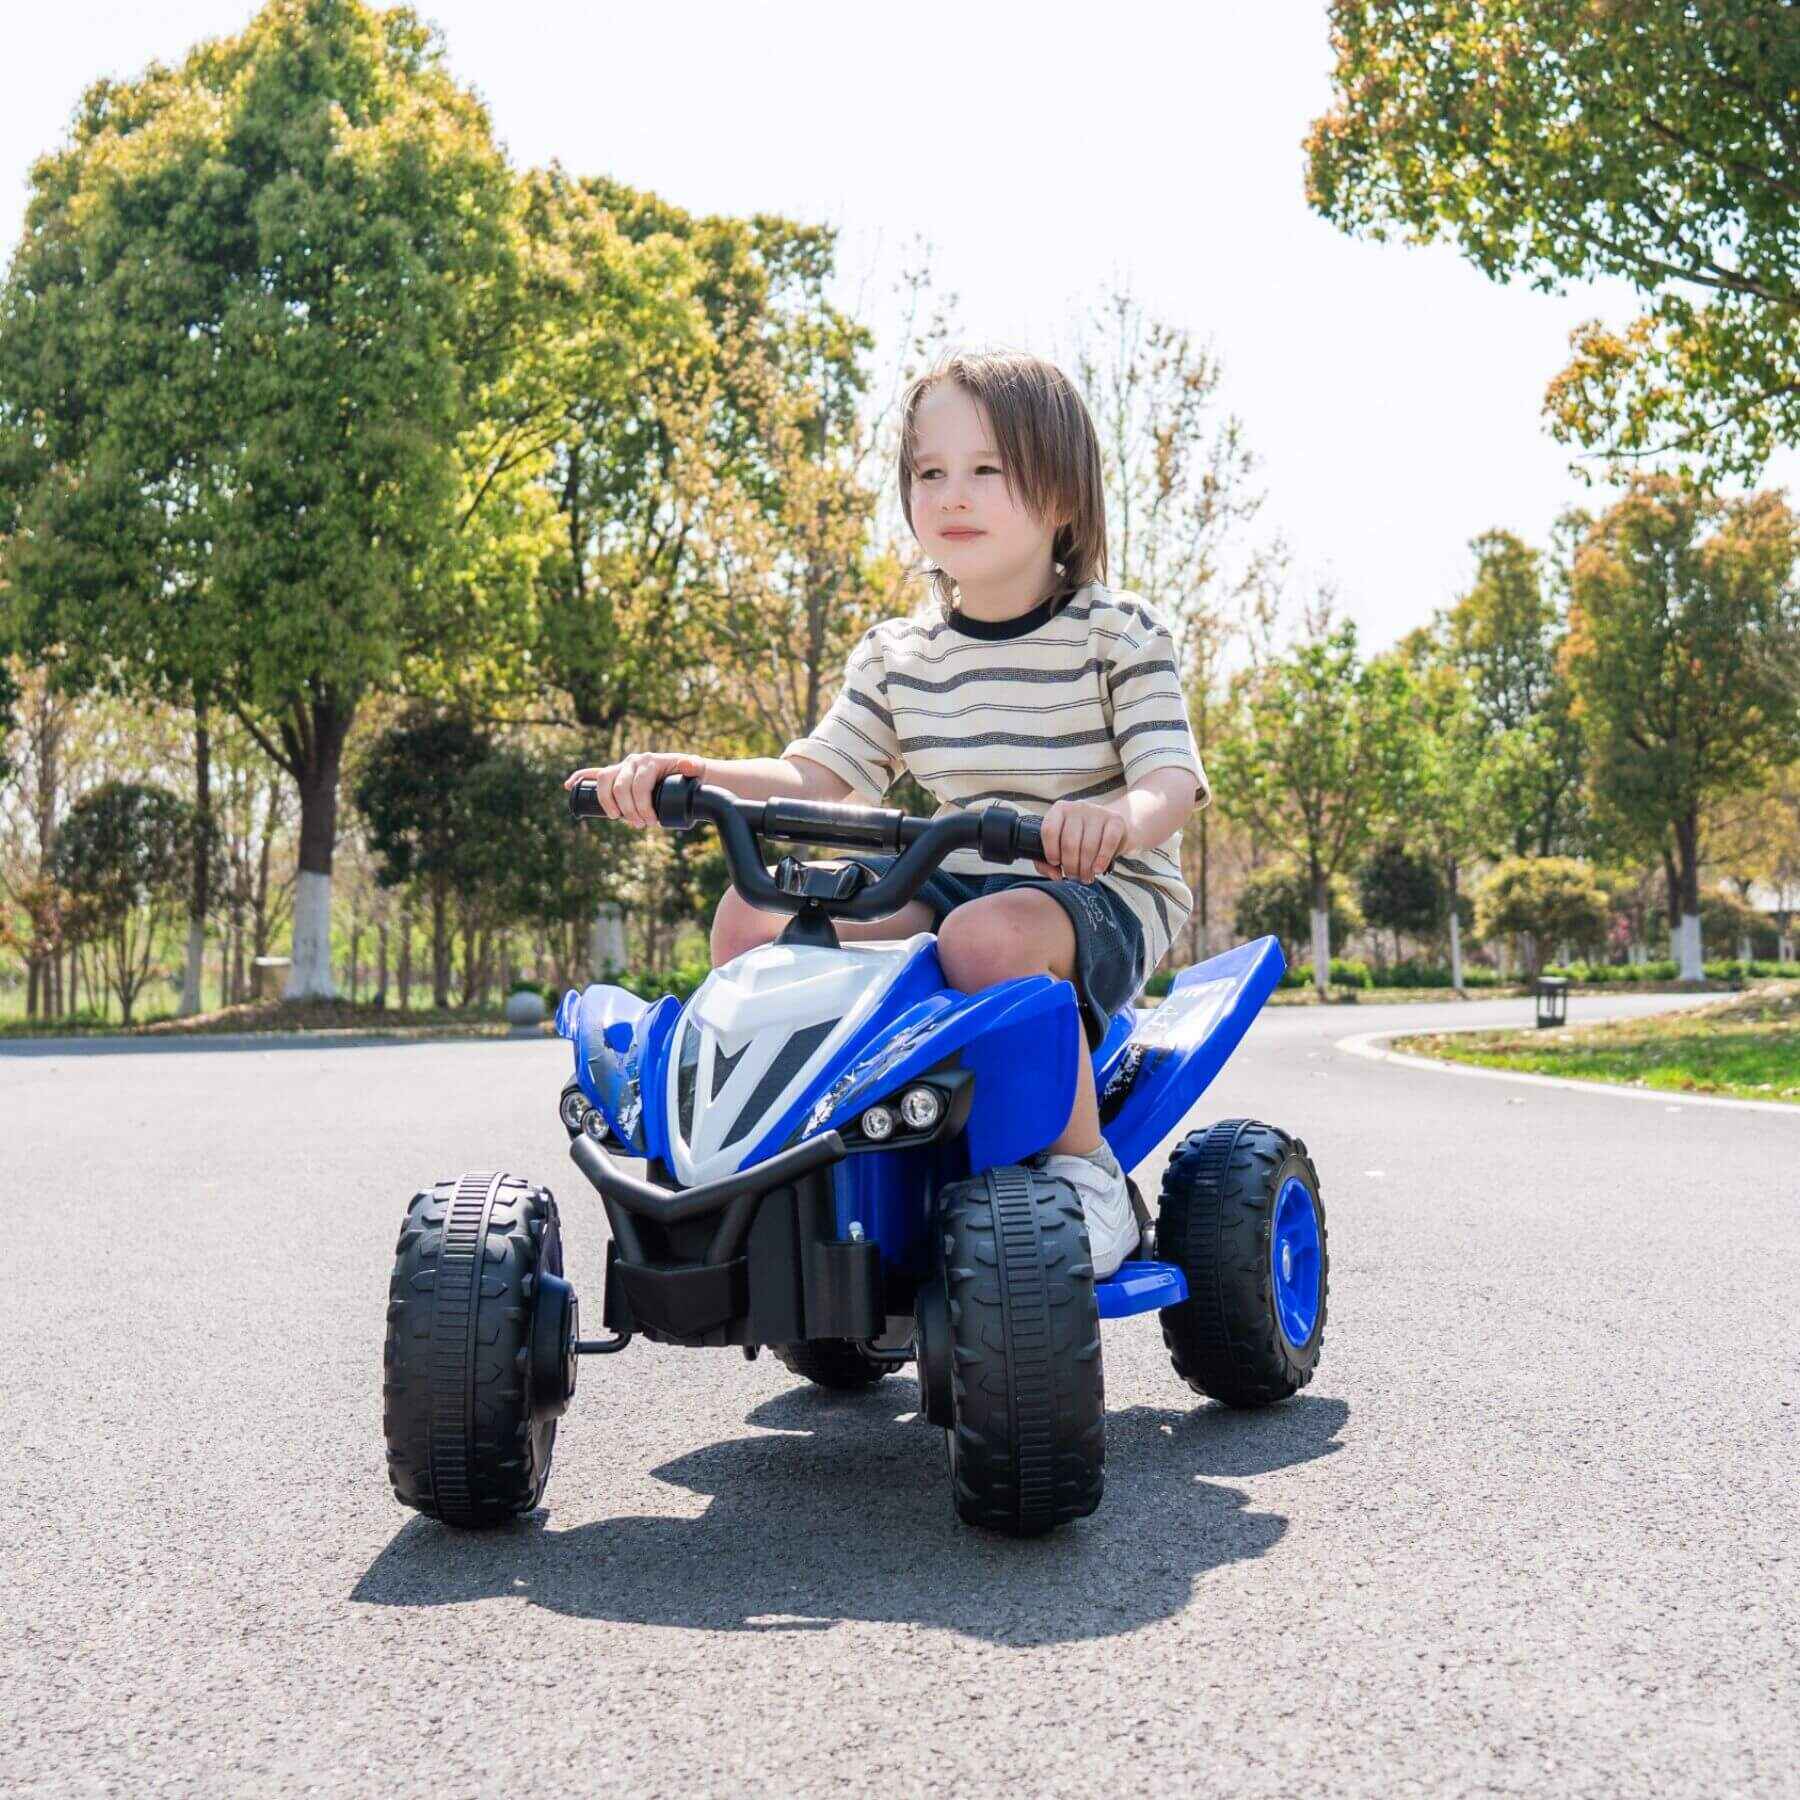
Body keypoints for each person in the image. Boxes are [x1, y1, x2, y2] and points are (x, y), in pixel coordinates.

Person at [565, 348, 1208, 1276]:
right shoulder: (899, 653)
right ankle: (780, 1159)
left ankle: (1086, 1172)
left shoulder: (1117, 633)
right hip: (950, 874)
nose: (954, 494)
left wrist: (1113, 818)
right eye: (929, 473)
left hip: (1099, 887)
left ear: (1063, 495)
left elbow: (1170, 780)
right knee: (754, 916)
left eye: (989, 470)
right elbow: (818, 776)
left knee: (986, 941)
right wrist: (695, 773)